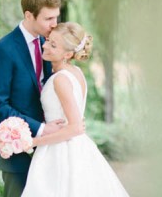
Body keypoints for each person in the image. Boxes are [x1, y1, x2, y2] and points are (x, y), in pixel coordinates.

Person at [22, 22, 130, 197]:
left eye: (53, 45)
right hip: (77, 147)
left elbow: (76, 127)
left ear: (68, 54)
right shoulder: (76, 72)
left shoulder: (60, 80)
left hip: (60, 151)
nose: (44, 45)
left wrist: (33, 142)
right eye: (48, 40)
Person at [0, 0, 65, 197]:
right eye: (48, 18)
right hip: (17, 151)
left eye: (56, 17)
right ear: (29, 15)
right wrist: (40, 129)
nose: (54, 24)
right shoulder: (2, 50)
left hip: (50, 149)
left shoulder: (50, 45)